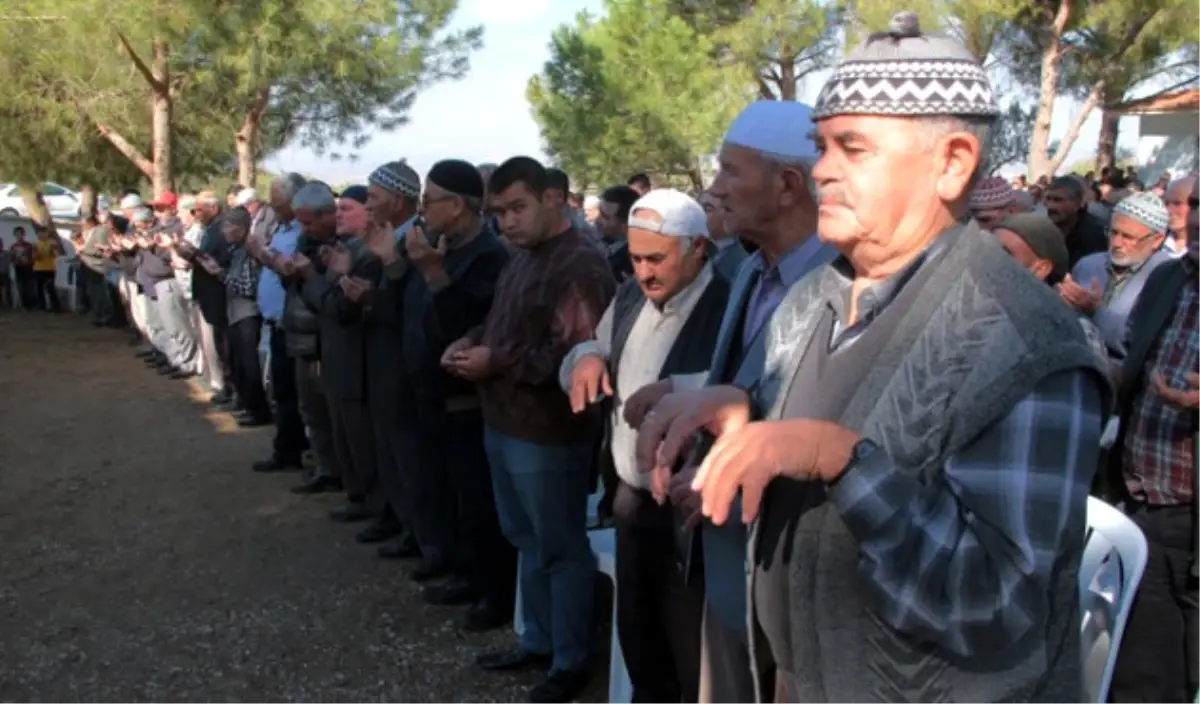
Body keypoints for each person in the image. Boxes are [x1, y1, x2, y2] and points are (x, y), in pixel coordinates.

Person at [638, 12, 1109, 701]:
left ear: (952, 163)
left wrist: (839, 457)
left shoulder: (1027, 341)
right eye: (822, 146)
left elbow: (994, 606)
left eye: (852, 149)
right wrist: (745, 412)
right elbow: (798, 437)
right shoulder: (817, 296)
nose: (822, 170)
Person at [561, 188, 729, 702]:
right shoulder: (631, 294)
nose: (644, 271)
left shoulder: (728, 303)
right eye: (635, 258)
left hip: (690, 513)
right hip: (632, 502)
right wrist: (587, 356)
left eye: (656, 258)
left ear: (698, 248)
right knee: (639, 639)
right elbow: (594, 344)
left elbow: (748, 390)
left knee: (690, 655)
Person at [460, 157, 615, 703]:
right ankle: (539, 640)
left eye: (517, 207)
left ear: (554, 198)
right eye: (498, 211)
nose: (506, 221)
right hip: (506, 423)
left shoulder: (580, 265)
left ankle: (569, 661)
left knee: (560, 548)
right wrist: (471, 340)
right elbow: (505, 321)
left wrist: (494, 359)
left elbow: (578, 358)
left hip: (550, 434)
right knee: (527, 541)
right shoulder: (524, 256)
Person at [1104, 174, 1200, 703]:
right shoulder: (1170, 280)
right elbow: (1132, 364)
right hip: (1145, 501)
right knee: (1144, 669)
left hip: (1190, 517)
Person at [31, 227, 61, 312]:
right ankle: (41, 306)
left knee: (50, 287)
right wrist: (35, 252)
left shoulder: (52, 243)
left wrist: (51, 250)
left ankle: (56, 306)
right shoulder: (36, 244)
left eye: (43, 233)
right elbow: (34, 258)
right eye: (39, 234)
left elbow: (55, 255)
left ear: (47, 234)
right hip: (38, 269)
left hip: (49, 269)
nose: (41, 235)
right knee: (39, 288)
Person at [9, 227, 34, 310]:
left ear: (24, 234)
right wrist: (14, 260)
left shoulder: (29, 245)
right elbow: (11, 259)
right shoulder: (13, 246)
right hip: (18, 268)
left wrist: (29, 262)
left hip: (28, 268)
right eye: (17, 234)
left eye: (20, 233)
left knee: (28, 287)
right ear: (15, 235)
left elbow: (32, 257)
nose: (19, 236)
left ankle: (29, 305)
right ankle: (23, 305)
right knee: (20, 286)